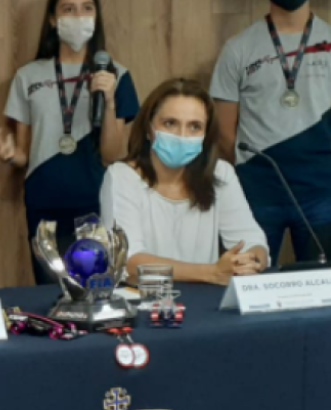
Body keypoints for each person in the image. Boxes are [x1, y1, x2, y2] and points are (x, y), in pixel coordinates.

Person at [212, 0, 331, 265]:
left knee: (324, 285)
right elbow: (225, 134)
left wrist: (311, 163)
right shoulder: (237, 49)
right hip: (255, 192)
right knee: (246, 280)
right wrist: (253, 170)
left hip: (320, 193)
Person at [0, 0, 140, 285]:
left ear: (96, 17)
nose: (78, 16)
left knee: (94, 290)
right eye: (68, 9)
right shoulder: (28, 76)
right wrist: (8, 154)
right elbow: (25, 154)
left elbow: (112, 154)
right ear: (53, 19)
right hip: (45, 203)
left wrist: (109, 100)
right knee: (52, 293)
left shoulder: (117, 75)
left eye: (87, 8)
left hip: (96, 202)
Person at [100, 79, 269, 286]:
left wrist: (249, 261)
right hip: (145, 298)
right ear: (148, 129)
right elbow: (127, 260)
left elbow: (253, 241)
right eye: (170, 123)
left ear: (206, 135)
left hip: (205, 298)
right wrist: (211, 272)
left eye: (194, 127)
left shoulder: (220, 173)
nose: (182, 136)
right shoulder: (121, 176)